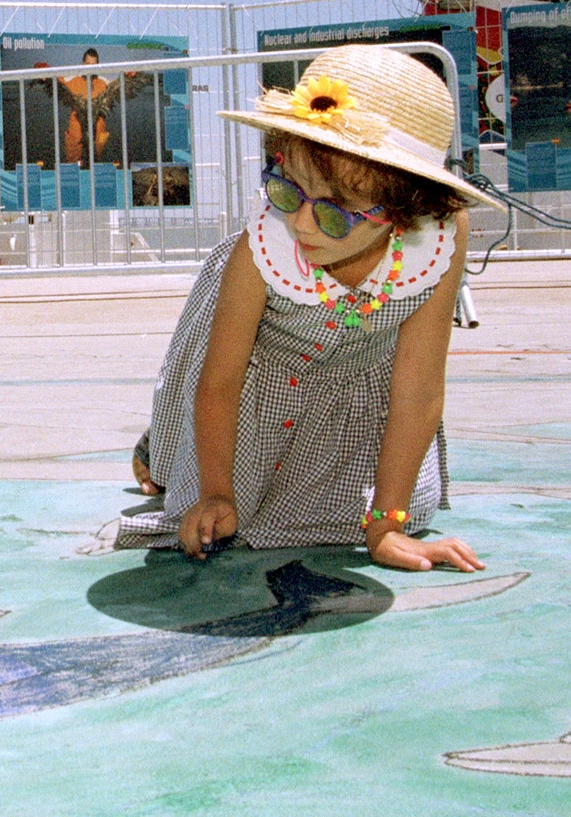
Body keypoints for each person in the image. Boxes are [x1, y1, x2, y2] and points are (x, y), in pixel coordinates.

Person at [117, 44, 506, 573]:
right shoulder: (260, 252)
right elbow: (219, 380)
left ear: (403, 210)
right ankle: (157, 450)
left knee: (407, 510)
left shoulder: (439, 236)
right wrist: (215, 491)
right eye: (286, 190)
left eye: (335, 212)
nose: (300, 223)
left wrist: (386, 523)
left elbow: (417, 390)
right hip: (254, 371)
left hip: (356, 372)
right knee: (207, 503)